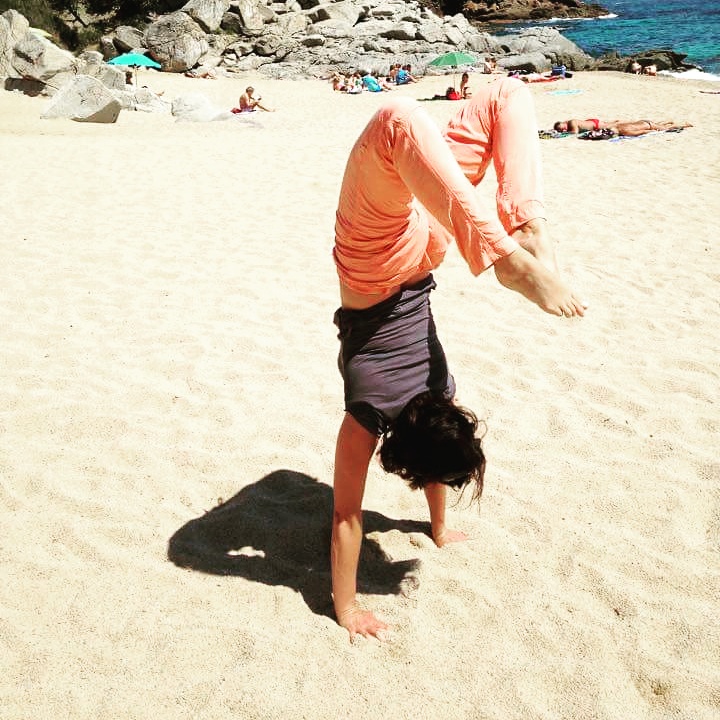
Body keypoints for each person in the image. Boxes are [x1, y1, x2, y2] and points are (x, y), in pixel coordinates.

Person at [332, 77, 587, 641]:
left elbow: (346, 519)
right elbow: (360, 508)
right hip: (423, 244)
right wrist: (439, 531)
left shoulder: (369, 410)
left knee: (398, 117)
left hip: (378, 258)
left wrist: (347, 611)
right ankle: (522, 228)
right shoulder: (408, 407)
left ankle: (505, 253)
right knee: (506, 97)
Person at [553, 117, 692, 137]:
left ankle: (682, 125)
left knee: (660, 128)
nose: (563, 130)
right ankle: (668, 122)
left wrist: (563, 135)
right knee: (660, 126)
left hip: (596, 124)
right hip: (595, 123)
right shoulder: (572, 120)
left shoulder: (571, 123)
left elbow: (574, 132)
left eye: (561, 128)